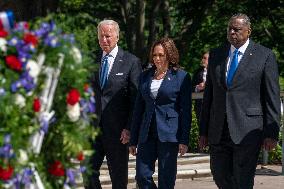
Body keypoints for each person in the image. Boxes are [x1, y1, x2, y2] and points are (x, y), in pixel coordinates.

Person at [199, 13, 281, 189]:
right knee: (219, 175)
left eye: (237, 29)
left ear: (248, 31)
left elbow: (271, 97)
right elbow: (209, 97)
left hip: (248, 130)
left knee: (242, 179)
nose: (232, 32)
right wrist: (203, 131)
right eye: (229, 29)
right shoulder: (216, 54)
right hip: (219, 130)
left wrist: (271, 133)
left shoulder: (264, 56)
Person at [129, 37, 192, 189]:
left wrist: (184, 140)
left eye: (161, 55)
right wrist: (133, 139)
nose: (157, 58)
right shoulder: (145, 76)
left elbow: (185, 110)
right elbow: (138, 109)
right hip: (147, 133)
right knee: (142, 176)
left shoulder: (181, 77)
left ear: (169, 55)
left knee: (166, 180)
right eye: (155, 55)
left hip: (169, 134)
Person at [87, 20, 142, 189]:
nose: (104, 39)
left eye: (108, 36)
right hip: (93, 129)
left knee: (118, 178)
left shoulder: (131, 62)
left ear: (117, 37)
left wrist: (130, 127)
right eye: (101, 36)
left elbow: (136, 99)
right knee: (88, 173)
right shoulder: (90, 60)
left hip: (119, 132)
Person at [192, 52, 209, 126]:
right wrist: (198, 87)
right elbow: (190, 89)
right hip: (200, 106)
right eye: (203, 58)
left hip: (214, 106)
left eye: (205, 58)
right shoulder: (197, 72)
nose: (202, 60)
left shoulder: (217, 71)